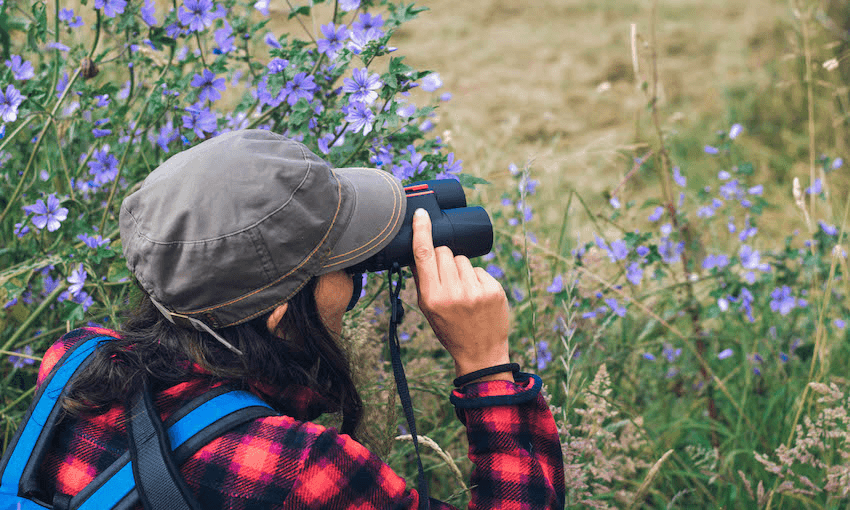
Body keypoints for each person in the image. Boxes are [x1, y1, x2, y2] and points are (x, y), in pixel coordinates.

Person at [33, 130, 565, 508]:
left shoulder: (74, 360)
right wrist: (486, 366)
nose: (354, 285)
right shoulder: (303, 470)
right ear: (282, 313)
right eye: (346, 268)